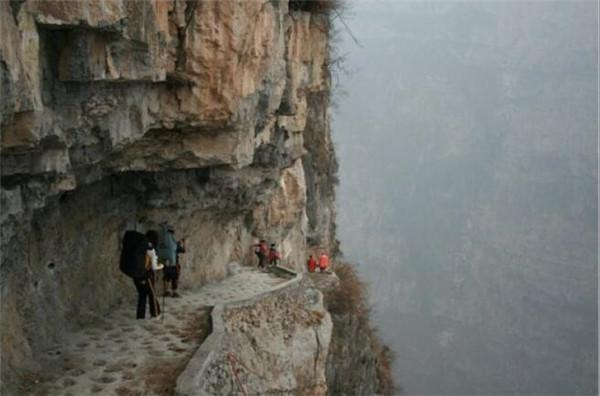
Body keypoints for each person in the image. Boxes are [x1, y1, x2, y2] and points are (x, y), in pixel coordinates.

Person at [133, 230, 163, 319]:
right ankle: (155, 313)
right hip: (146, 275)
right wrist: (161, 266)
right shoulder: (151, 249)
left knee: (142, 295)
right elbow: (154, 267)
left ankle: (140, 316)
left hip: (136, 273)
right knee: (152, 294)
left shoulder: (139, 245)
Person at [157, 224, 179, 297]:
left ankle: (166, 291)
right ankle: (174, 292)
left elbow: (159, 248)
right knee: (174, 278)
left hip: (164, 261)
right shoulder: (170, 238)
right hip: (171, 262)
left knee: (166, 277)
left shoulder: (161, 237)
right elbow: (174, 248)